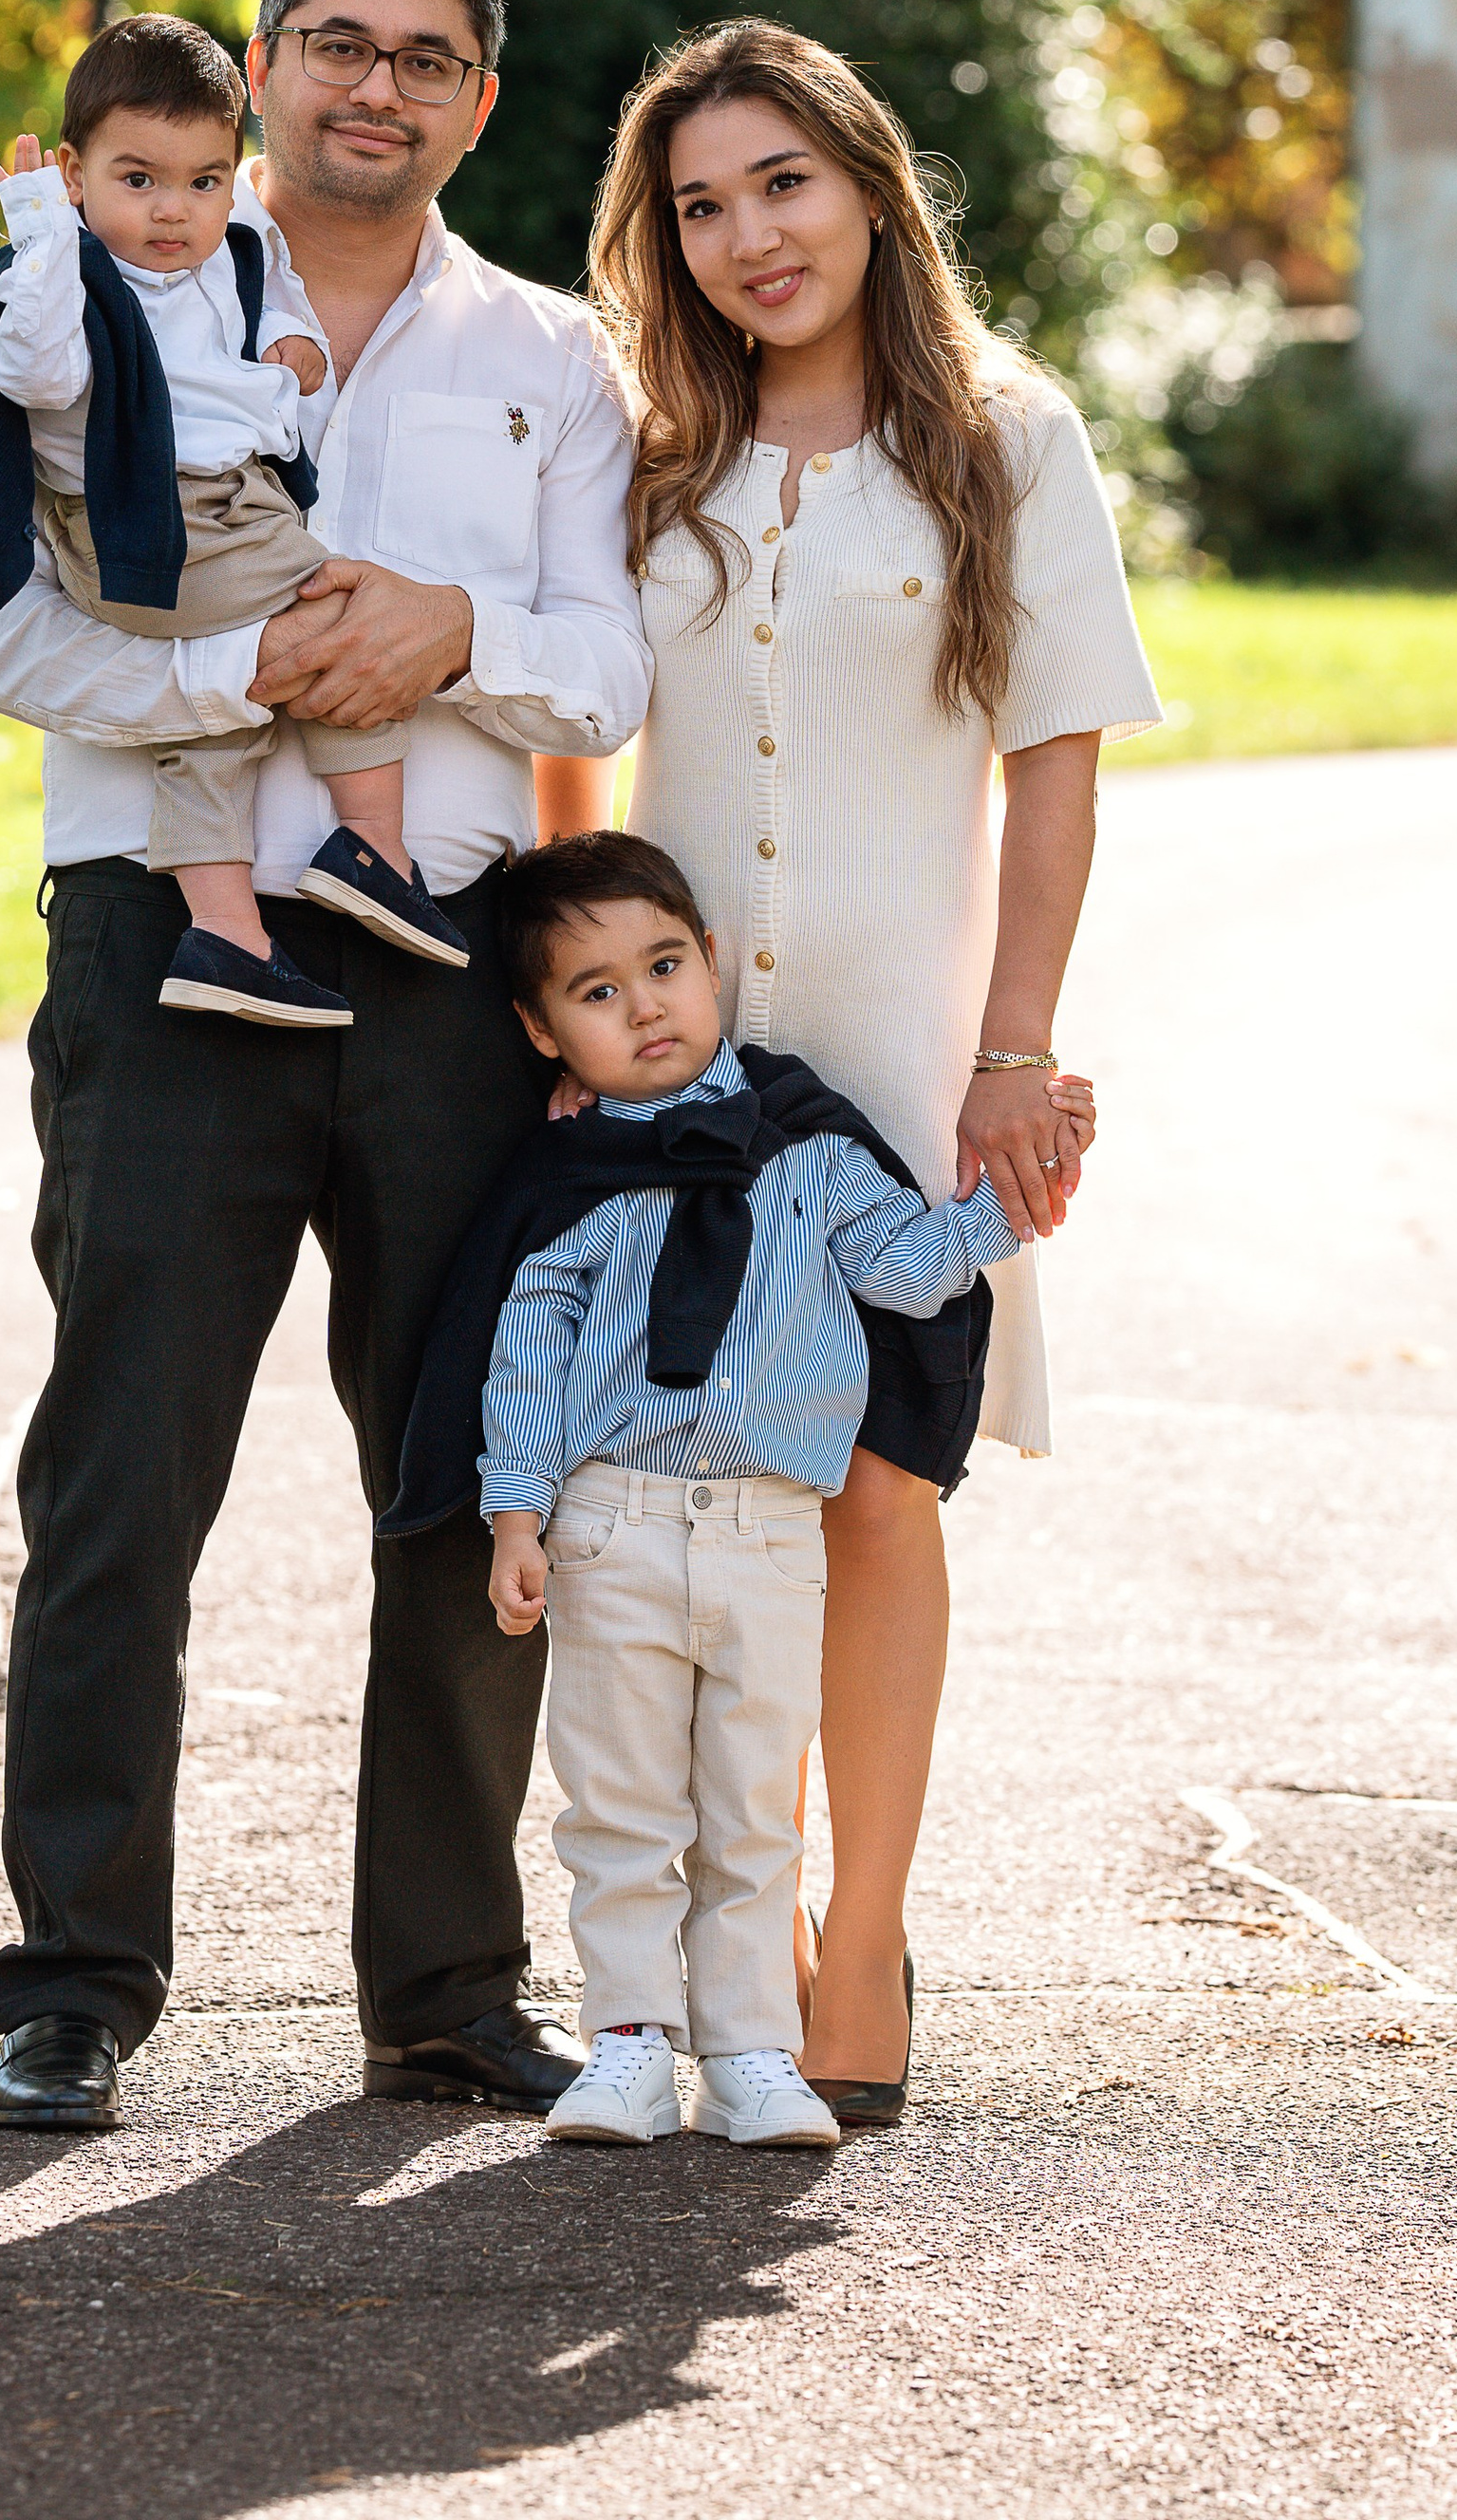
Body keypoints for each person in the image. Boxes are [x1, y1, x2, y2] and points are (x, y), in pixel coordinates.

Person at [0, 0, 650, 2133]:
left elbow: (608, 663)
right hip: (162, 952)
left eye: (421, 56)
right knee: (121, 1464)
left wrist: (442, 636)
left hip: (449, 971)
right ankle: (71, 1979)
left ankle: (442, 1986)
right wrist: (229, 677)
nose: (372, 83)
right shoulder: (75, 296)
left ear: (477, 104)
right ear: (254, 70)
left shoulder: (550, 353)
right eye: (330, 42)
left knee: (458, 1477)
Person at [588, 18, 1162, 2121]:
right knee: (675, 1503)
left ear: (866, 182)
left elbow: (1053, 766)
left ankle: (858, 1938)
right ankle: (712, 1943)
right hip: (669, 1071)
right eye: (699, 206)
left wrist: (1012, 1049)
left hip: (899, 1064)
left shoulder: (1005, 443)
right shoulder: (649, 448)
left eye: (781, 184)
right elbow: (577, 728)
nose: (746, 237)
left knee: (869, 1488)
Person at [467, 832, 1028, 2148]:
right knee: (618, 1806)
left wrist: (1019, 1197)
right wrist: (514, 1512)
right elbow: (528, 1354)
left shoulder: (813, 1153)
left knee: (751, 1806)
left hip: (774, 1534)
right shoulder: (573, 1183)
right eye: (597, 992)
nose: (646, 1004)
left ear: (711, 963)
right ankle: (625, 2046)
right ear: (541, 1031)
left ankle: (755, 2054)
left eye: (663, 966)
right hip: (611, 1528)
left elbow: (911, 1267)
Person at [0, 9, 475, 1026]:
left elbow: (262, 301)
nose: (172, 211)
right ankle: (373, 850)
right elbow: (30, 372)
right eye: (137, 179)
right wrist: (38, 245)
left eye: (202, 180)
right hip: (153, 516)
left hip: (214, 508)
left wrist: (291, 350)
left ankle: (225, 935)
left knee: (217, 731)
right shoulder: (71, 277)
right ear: (73, 172)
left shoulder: (228, 248)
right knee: (344, 621)